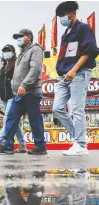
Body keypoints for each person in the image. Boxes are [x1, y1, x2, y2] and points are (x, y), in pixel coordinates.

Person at [53, 1, 99, 156]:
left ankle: (80, 145)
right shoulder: (66, 33)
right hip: (65, 76)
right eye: (59, 16)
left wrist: (73, 70)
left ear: (72, 13)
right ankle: (81, 137)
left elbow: (90, 50)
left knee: (77, 109)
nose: (61, 18)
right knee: (57, 108)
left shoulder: (83, 28)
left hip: (79, 73)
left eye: (63, 15)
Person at [0, 29, 47, 155]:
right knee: (11, 117)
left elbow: (35, 69)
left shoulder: (35, 49)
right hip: (18, 93)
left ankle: (40, 146)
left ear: (29, 37)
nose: (18, 39)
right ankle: (7, 145)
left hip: (30, 91)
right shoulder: (22, 53)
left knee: (34, 119)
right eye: (17, 37)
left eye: (21, 36)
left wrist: (24, 85)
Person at [0, 44, 26, 153]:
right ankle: (22, 144)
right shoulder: (3, 69)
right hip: (4, 98)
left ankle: (0, 141)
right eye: (4, 51)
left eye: (8, 51)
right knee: (15, 122)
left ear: (13, 53)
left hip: (13, 96)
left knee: (7, 119)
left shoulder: (16, 66)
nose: (6, 53)